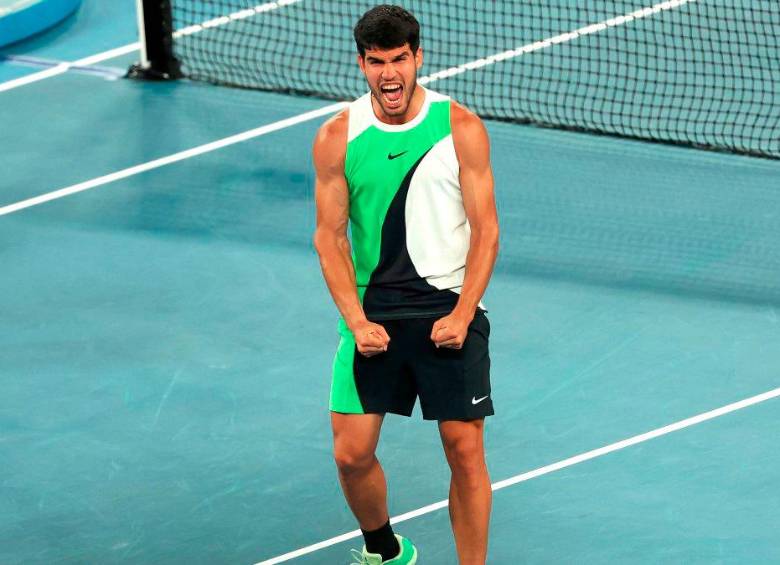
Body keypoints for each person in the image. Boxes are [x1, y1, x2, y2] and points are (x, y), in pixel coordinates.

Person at [312, 5, 499, 564]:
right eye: (376, 62)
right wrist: (356, 321)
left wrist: (464, 314)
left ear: (419, 57)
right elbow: (330, 238)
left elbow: (487, 233)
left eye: (399, 59)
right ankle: (385, 549)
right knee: (351, 454)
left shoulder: (459, 129)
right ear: (361, 64)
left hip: (448, 306)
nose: (389, 74)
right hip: (375, 313)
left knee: (464, 450)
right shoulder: (337, 137)